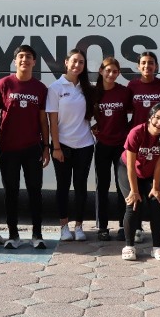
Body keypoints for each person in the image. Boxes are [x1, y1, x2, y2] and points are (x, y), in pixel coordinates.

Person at [0, 44, 50, 249]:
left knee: (35, 192)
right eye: (21, 56)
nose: (25, 60)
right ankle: (13, 235)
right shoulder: (4, 84)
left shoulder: (40, 88)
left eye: (29, 57)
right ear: (15, 61)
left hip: (33, 148)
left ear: (34, 62)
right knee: (11, 192)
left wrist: (46, 147)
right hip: (8, 149)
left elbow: (43, 121)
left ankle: (37, 234)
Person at [47, 49, 96, 242]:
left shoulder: (87, 88)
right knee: (63, 186)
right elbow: (52, 120)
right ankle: (64, 226)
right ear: (66, 62)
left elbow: (93, 114)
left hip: (85, 144)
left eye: (81, 62)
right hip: (63, 146)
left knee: (81, 187)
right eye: (74, 61)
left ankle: (79, 226)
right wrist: (56, 147)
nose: (77, 65)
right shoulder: (56, 87)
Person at [119, 102, 160, 261]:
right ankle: (129, 246)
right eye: (157, 117)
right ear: (150, 117)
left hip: (151, 173)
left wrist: (156, 187)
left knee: (157, 202)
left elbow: (159, 165)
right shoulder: (136, 132)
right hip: (129, 170)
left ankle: (157, 247)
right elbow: (130, 166)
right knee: (133, 203)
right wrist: (134, 191)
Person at [92, 57, 132, 241]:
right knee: (102, 186)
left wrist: (129, 130)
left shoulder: (124, 92)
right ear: (101, 71)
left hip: (120, 146)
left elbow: (135, 112)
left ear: (118, 74)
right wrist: (93, 126)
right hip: (102, 145)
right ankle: (102, 227)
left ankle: (124, 226)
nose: (111, 74)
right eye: (107, 70)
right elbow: (84, 115)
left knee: (122, 186)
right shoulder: (94, 93)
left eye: (115, 71)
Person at [128, 51, 160, 126]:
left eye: (150, 63)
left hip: (157, 129)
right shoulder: (132, 85)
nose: (146, 66)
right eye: (143, 63)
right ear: (138, 66)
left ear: (156, 66)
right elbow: (127, 108)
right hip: (137, 129)